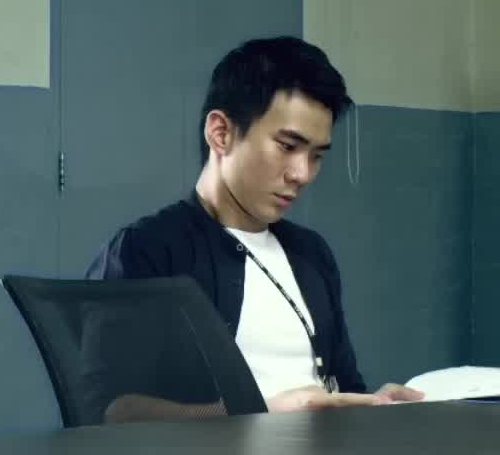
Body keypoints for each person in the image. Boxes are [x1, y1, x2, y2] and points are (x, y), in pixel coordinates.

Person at [87, 36, 422, 418]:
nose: (302, 174)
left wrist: (377, 407)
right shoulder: (148, 250)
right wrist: (262, 410)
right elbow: (107, 411)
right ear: (221, 133)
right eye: (287, 146)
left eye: (316, 156)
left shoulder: (311, 254)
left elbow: (344, 388)